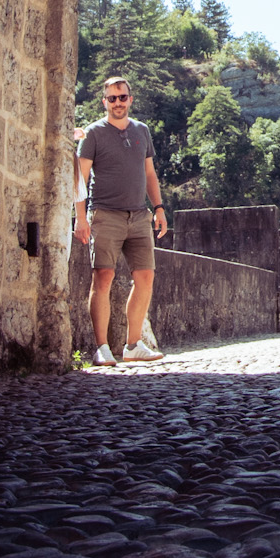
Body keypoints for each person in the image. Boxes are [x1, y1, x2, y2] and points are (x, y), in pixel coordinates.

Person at [74, 76, 168, 365]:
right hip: (104, 214)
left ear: (130, 99)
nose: (118, 102)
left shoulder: (142, 131)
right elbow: (80, 177)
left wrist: (159, 207)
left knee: (145, 277)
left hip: (139, 214)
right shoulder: (93, 134)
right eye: (112, 98)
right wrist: (80, 217)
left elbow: (149, 173)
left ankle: (132, 345)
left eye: (122, 97)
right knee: (103, 277)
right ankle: (101, 348)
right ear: (104, 102)